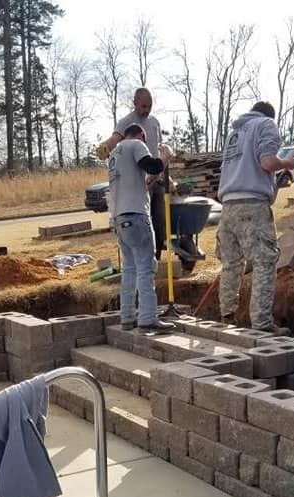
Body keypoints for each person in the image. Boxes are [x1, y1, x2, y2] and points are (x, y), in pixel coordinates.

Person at [216, 101, 294, 335]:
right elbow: (268, 163)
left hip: (228, 206)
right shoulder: (266, 124)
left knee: (232, 264)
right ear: (270, 116)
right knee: (264, 261)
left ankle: (226, 319)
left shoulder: (235, 133)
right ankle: (262, 324)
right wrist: (288, 163)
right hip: (252, 205)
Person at [109, 123, 174, 333]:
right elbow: (153, 166)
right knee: (146, 268)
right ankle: (147, 318)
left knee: (129, 269)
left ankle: (127, 316)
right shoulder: (136, 144)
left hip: (119, 218)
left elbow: (134, 182)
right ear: (140, 135)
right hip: (137, 216)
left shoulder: (114, 154)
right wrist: (165, 157)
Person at [97, 88, 173, 260]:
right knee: (143, 221)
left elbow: (159, 148)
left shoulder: (154, 123)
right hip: (138, 182)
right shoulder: (126, 122)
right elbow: (115, 139)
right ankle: (143, 262)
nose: (146, 110)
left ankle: (157, 258)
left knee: (159, 220)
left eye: (150, 106)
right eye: (143, 106)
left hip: (156, 177)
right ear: (135, 103)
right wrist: (105, 148)